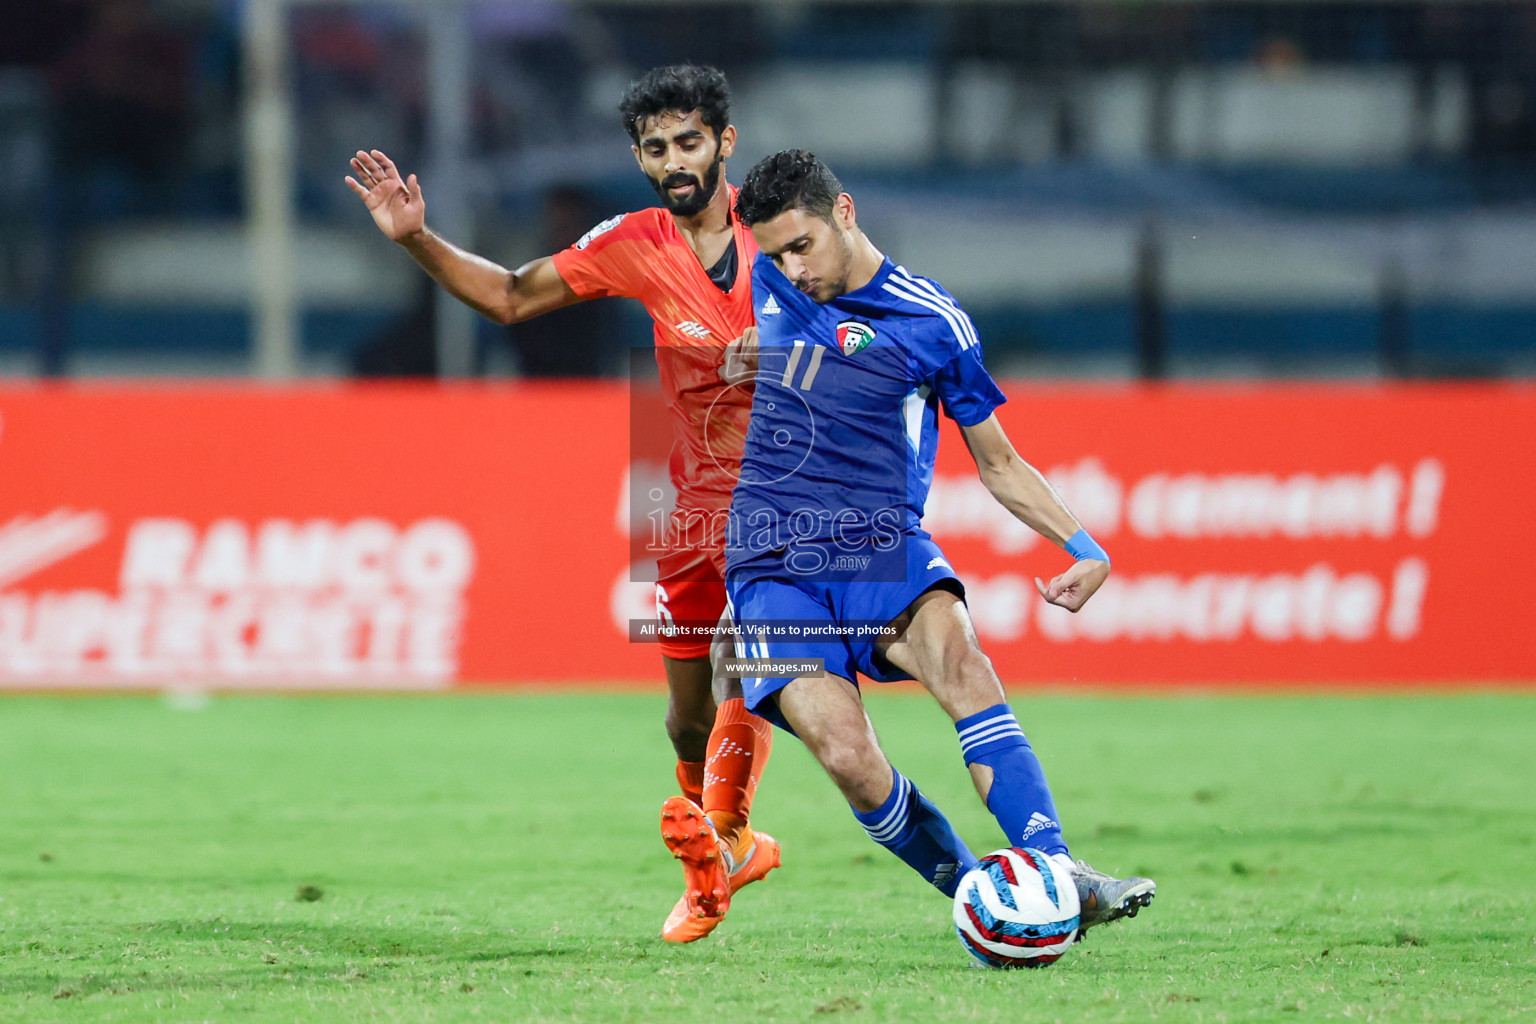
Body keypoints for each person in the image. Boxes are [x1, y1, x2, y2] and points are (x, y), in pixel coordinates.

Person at [344, 65, 777, 943]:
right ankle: (724, 840)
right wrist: (415, 240)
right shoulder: (636, 240)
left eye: (689, 141)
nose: (674, 160)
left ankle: (720, 854)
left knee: (755, 668)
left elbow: (871, 324)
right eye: (656, 148)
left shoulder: (787, 230)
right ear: (640, 157)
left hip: (784, 498)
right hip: (689, 504)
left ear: (725, 144)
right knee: (685, 712)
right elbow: (508, 296)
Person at [720, 149, 1155, 935]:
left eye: (802, 245)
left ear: (844, 212)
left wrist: (1085, 547)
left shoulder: (933, 322)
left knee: (963, 665)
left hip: (879, 543)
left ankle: (1055, 873)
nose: (790, 267)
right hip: (768, 558)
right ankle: (987, 894)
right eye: (775, 252)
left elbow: (999, 462)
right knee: (848, 758)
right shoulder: (768, 280)